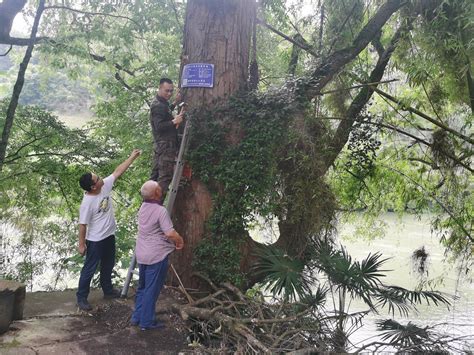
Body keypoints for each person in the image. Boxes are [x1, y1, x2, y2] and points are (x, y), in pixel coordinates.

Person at [76, 149, 141, 311]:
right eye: (97, 178)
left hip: (109, 236)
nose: (100, 178)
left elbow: (117, 171)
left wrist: (132, 157)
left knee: (108, 265)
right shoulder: (87, 204)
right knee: (89, 269)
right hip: (95, 240)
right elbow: (82, 225)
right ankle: (81, 297)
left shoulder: (103, 186)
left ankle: (108, 290)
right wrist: (81, 244)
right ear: (93, 186)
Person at [131, 180, 184, 330]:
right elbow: (169, 233)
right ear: (157, 193)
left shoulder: (143, 207)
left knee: (142, 287)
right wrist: (180, 240)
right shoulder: (161, 211)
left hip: (142, 254)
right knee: (151, 290)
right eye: (159, 188)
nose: (161, 189)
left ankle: (137, 317)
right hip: (156, 256)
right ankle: (146, 322)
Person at [149, 77, 185, 198]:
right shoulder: (158, 105)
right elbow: (159, 126)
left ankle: (147, 206)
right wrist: (174, 121)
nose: (169, 93)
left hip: (161, 146)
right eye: (166, 91)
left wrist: (174, 103)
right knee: (164, 178)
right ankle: (156, 208)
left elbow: (165, 113)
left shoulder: (162, 103)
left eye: (171, 91)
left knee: (154, 178)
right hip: (165, 146)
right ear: (159, 88)